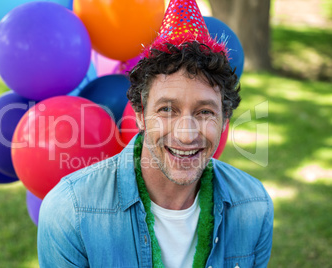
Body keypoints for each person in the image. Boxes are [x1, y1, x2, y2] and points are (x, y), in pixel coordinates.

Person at [37, 0, 274, 267]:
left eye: (205, 112)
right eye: (167, 110)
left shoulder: (254, 206)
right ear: (140, 114)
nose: (186, 135)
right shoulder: (70, 210)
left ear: (225, 118)